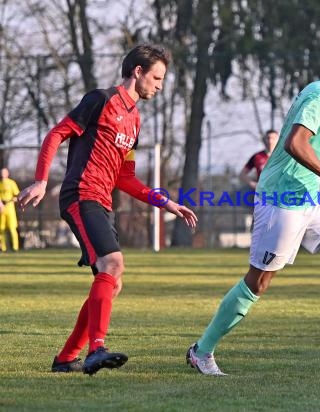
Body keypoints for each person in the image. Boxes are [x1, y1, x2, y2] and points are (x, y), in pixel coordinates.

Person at [185, 43, 320, 376]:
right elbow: (294, 143)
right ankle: (201, 350)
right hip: (281, 199)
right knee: (258, 283)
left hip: (308, 198)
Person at [17, 44, 198, 375]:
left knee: (112, 280)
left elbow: (125, 178)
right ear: (138, 72)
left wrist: (167, 202)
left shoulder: (135, 119)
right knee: (112, 264)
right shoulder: (100, 100)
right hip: (80, 195)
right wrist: (41, 181)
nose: (160, 86)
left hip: (101, 201)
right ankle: (96, 349)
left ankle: (66, 358)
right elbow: (57, 133)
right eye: (157, 78)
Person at [0, 167, 20, 252]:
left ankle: (15, 248)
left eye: (4, 173)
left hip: (10, 209)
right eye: (1, 173)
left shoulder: (12, 183)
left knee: (12, 228)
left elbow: (17, 196)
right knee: (1, 229)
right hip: (1, 209)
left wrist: (9, 201)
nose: (2, 174)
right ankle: (3, 248)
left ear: (7, 174)